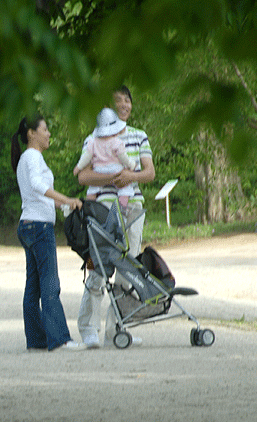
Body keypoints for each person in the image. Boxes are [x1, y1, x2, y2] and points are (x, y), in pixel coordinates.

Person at [76, 86, 156, 349]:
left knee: (127, 270)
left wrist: (129, 177)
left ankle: (117, 328)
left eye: (127, 100)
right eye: (118, 101)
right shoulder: (94, 138)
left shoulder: (139, 136)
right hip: (102, 209)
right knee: (98, 267)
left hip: (132, 208)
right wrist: (111, 177)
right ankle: (89, 328)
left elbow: (149, 173)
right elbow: (83, 175)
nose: (124, 104)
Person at [11, 114, 85, 352]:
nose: (49, 134)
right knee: (50, 285)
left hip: (29, 224)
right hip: (39, 228)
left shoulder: (27, 158)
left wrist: (66, 205)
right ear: (32, 133)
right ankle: (59, 339)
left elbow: (40, 195)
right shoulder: (32, 157)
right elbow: (36, 185)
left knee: (33, 287)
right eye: (45, 129)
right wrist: (66, 198)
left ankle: (36, 341)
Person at [73, 108, 137, 207]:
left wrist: (78, 167)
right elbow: (123, 157)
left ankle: (90, 204)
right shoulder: (117, 142)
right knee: (125, 187)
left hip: (98, 170)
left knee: (93, 187)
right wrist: (131, 165)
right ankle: (123, 207)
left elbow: (86, 157)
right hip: (115, 169)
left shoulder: (93, 141)